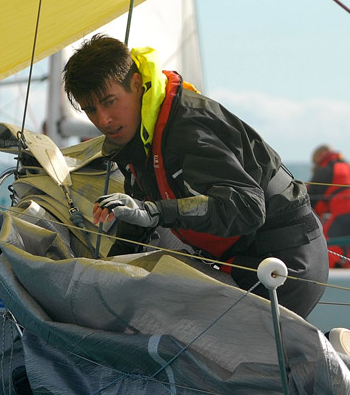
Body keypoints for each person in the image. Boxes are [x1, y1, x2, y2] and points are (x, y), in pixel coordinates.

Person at [63, 35, 328, 319]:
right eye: (91, 109)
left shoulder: (187, 127)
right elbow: (135, 227)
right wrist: (101, 278)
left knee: (193, 339)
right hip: (244, 262)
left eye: (110, 102)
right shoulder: (136, 138)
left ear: (137, 85)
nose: (103, 120)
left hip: (286, 263)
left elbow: (248, 208)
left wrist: (154, 211)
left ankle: (327, 356)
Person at [306, 145, 350, 268]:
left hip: (346, 215)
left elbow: (311, 201)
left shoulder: (326, 170)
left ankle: (326, 271)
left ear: (318, 158)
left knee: (321, 243)